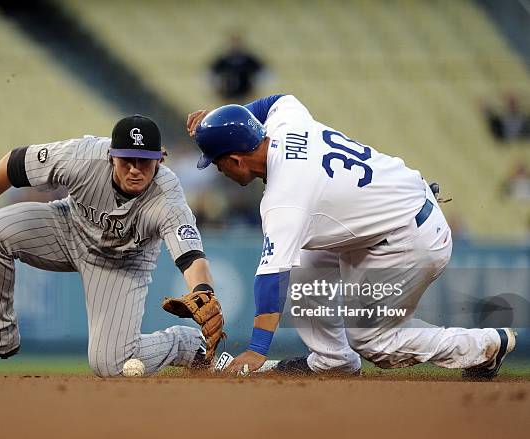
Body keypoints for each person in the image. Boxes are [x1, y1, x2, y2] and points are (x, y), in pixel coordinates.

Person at [187, 94, 516, 379]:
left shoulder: (283, 199)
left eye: (218, 164)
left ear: (235, 159)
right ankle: (333, 361)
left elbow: (272, 279)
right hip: (398, 212)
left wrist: (257, 349)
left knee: (374, 341)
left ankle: (485, 346)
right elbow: (276, 100)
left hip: (410, 240)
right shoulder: (287, 124)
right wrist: (220, 126)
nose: (219, 172)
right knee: (305, 260)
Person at [0, 115, 223, 377]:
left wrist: (203, 291)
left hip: (122, 264)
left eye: (145, 161)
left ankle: (186, 344)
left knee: (110, 364)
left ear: (160, 159)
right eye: (127, 160)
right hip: (68, 227)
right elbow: (15, 163)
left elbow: (190, 255)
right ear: (111, 155)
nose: (136, 169)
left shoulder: (167, 196)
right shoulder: (82, 156)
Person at [209, 34, 265, 102]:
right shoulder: (223, 61)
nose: (235, 46)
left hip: (245, 96)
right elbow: (211, 74)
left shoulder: (249, 60)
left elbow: (262, 73)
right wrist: (216, 89)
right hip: (227, 96)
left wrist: (256, 90)